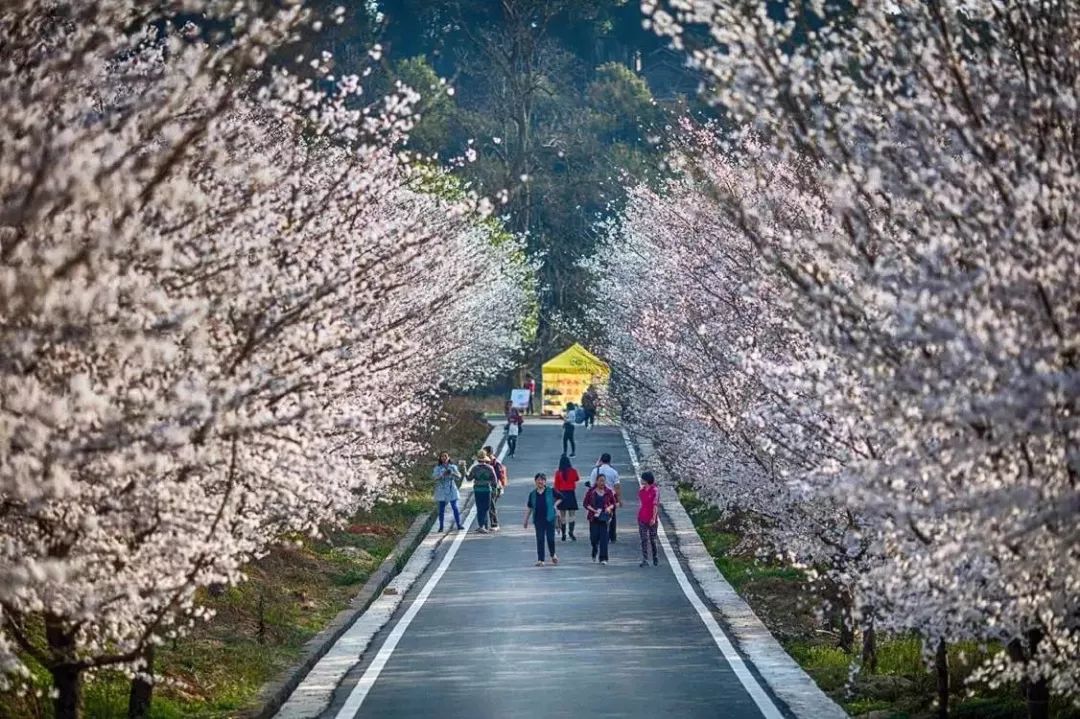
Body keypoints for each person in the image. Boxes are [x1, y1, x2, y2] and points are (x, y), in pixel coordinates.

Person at [524, 473, 562, 566]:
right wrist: (526, 520)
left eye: (542, 480)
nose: (540, 482)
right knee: (540, 539)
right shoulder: (532, 494)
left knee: (550, 539)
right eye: (538, 480)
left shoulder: (551, 490)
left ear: (545, 481)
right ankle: (541, 560)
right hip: (538, 520)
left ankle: (553, 555)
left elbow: (561, 497)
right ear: (535, 481)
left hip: (549, 518)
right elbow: (530, 507)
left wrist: (555, 505)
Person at [583, 474, 617, 564]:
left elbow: (614, 503)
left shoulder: (608, 491)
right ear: (596, 481)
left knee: (604, 538)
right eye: (600, 480)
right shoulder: (591, 491)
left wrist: (609, 508)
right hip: (593, 518)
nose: (602, 483)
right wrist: (593, 510)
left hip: (604, 518)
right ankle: (594, 549)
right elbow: (585, 504)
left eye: (603, 481)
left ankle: (603, 558)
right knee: (593, 538)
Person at [589, 453, 621, 542]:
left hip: (598, 496)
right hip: (610, 497)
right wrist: (618, 500)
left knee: (597, 515)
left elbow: (592, 485)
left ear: (601, 460)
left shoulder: (596, 471)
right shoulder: (614, 472)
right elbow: (617, 486)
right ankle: (612, 536)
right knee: (612, 516)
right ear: (610, 461)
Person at [468, 450, 499, 534]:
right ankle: (484, 526)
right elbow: (494, 481)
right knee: (486, 507)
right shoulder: (490, 468)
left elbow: (469, 478)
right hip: (487, 490)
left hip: (477, 490)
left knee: (479, 508)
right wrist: (495, 490)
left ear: (478, 460)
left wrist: (464, 469)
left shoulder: (474, 468)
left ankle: (481, 525)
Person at [432, 452, 464, 532]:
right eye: (442, 456)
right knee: (441, 509)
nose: (444, 458)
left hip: (451, 487)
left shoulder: (453, 467)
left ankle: (458, 524)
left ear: (448, 457)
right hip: (441, 488)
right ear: (440, 458)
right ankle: (441, 526)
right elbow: (434, 478)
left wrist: (452, 473)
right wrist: (442, 475)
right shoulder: (437, 468)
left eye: (445, 456)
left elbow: (459, 476)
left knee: (455, 507)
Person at [553, 454, 580, 541]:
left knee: (562, 516)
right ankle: (571, 532)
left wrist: (555, 497)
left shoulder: (558, 473)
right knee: (572, 514)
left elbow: (556, 486)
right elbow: (577, 479)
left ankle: (563, 533)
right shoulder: (573, 471)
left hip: (562, 494)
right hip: (571, 494)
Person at [637, 471, 660, 567]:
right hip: (642, 517)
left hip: (651, 518)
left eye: (642, 479)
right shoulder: (641, 491)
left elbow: (655, 505)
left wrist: (653, 518)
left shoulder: (655, 490)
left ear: (646, 480)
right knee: (643, 538)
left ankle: (655, 556)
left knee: (652, 539)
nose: (641, 480)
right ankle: (645, 559)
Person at [484, 444, 507, 531]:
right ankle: (487, 524)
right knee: (489, 505)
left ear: (489, 453)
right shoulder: (487, 462)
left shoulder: (495, 464)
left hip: (495, 487)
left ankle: (495, 524)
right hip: (488, 487)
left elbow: (498, 477)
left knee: (491, 505)